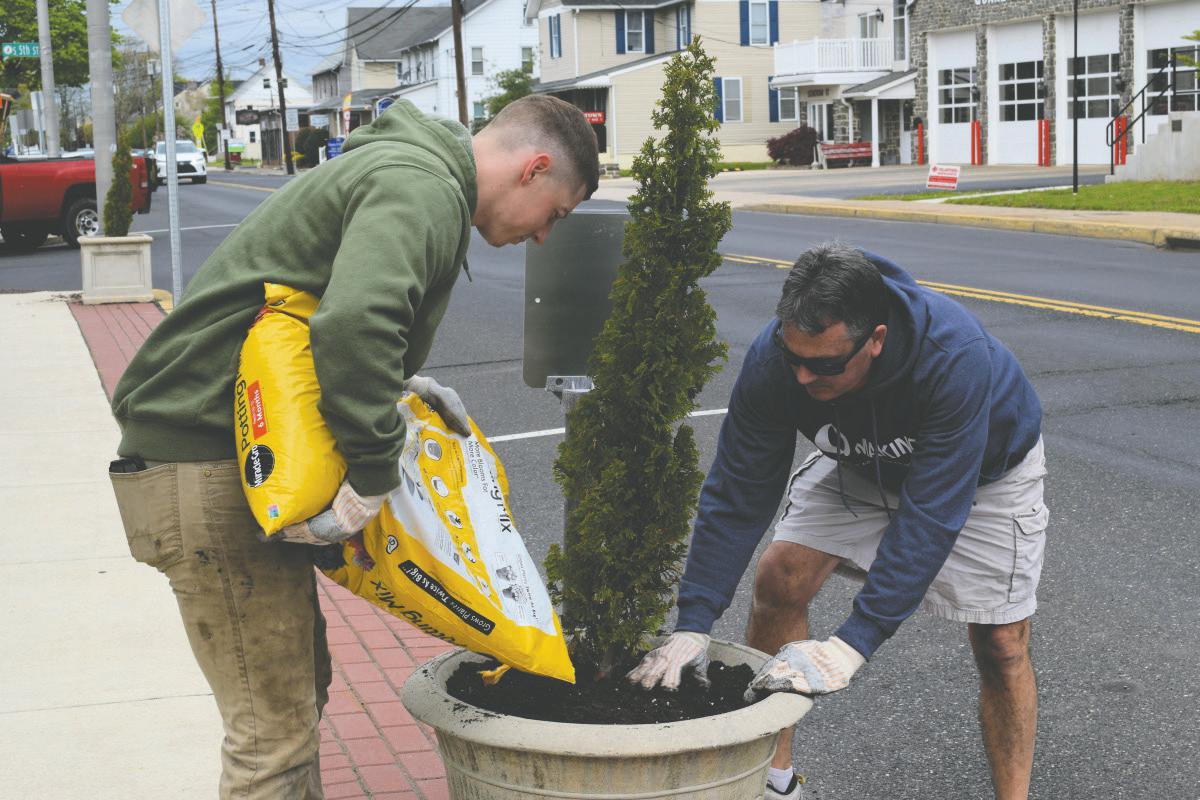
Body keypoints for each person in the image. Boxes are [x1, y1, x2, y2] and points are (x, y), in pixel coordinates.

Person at [107, 96, 599, 799]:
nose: (545, 235)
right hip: (206, 460)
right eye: (556, 213)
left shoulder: (412, 173)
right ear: (535, 168)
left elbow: (324, 313)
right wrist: (373, 469)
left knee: (300, 692)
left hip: (229, 455)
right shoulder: (422, 186)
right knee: (272, 738)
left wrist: (398, 387)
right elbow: (356, 323)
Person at [628, 242, 1048, 800]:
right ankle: (774, 782)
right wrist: (694, 621)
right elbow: (738, 491)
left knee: (1001, 643)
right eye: (794, 357)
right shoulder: (775, 361)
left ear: (876, 339)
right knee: (780, 577)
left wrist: (854, 643)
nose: (803, 377)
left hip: (981, 474)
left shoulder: (953, 357)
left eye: (824, 365)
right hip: (861, 460)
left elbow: (930, 516)